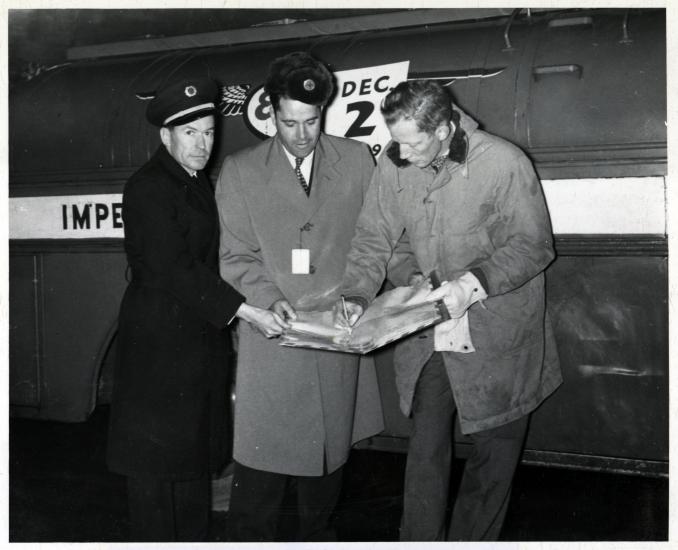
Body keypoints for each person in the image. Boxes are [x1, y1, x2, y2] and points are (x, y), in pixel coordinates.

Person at [334, 79, 562, 541]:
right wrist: (357, 294)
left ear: (444, 129)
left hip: (497, 331)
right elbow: (376, 236)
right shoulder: (395, 161)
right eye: (395, 140)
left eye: (412, 143)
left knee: (494, 454)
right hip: (434, 330)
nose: (401, 153)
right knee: (424, 450)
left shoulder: (502, 161)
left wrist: (472, 284)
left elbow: (533, 245)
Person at [215, 51, 383, 542]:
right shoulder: (241, 170)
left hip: (337, 333)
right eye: (290, 123)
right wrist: (267, 298)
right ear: (270, 111)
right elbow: (234, 254)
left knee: (328, 470)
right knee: (261, 476)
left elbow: (373, 240)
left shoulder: (355, 159)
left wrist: (357, 293)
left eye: (312, 121)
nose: (303, 135)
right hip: (275, 337)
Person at [106, 77, 283, 542]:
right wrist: (247, 312)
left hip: (194, 340)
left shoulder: (194, 180)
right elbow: (174, 267)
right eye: (190, 133)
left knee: (189, 463)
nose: (203, 143)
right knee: (154, 469)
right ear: (165, 135)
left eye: (208, 132)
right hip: (160, 345)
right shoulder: (148, 186)